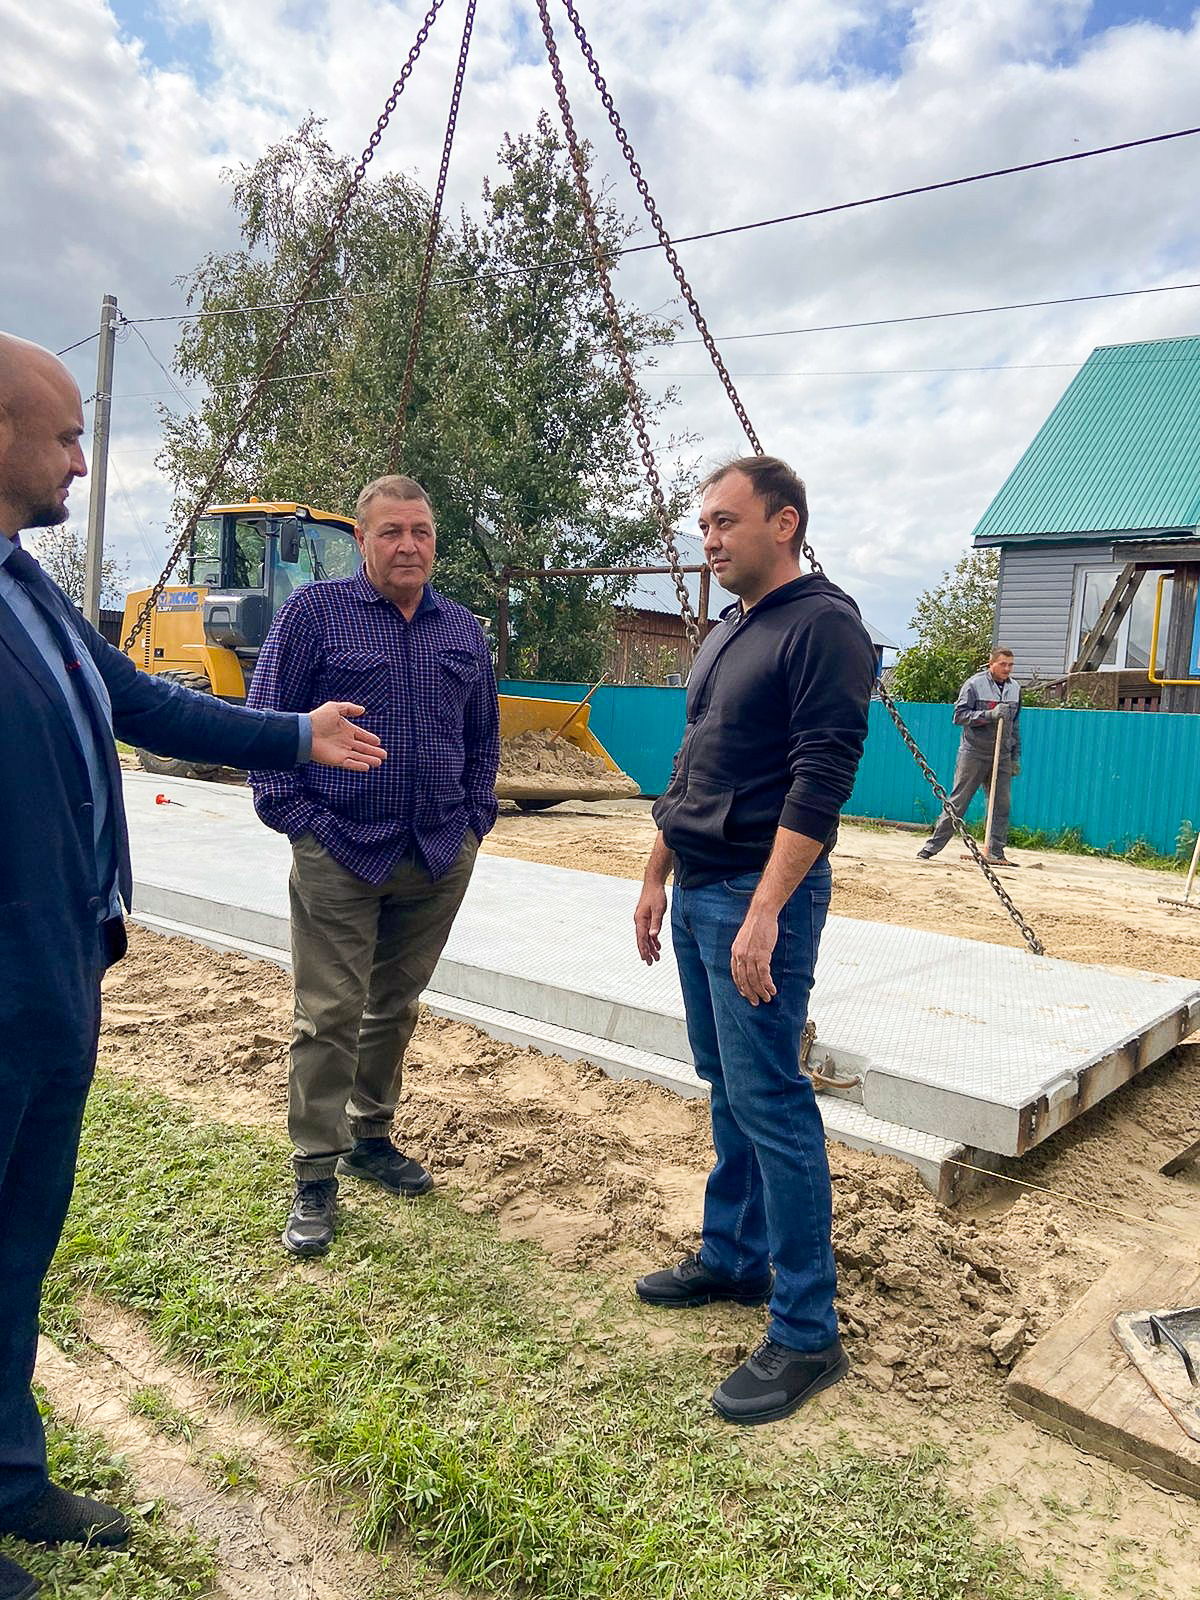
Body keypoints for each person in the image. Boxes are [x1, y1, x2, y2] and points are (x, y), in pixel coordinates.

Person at [0, 331, 386, 1600]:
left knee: (19, 1243)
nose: (81, 459)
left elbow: (143, 702)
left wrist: (293, 733)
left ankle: (8, 1474)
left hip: (56, 976)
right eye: (66, 435)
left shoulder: (28, 588)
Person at [632, 456, 875, 1426]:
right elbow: (691, 761)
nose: (710, 539)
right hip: (699, 887)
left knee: (772, 1098)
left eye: (725, 521)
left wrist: (769, 909)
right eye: (704, 525)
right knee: (728, 1084)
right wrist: (654, 872)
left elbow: (823, 778)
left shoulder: (824, 626)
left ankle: (808, 1332)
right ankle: (735, 1257)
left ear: (785, 523)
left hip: (755, 896)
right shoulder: (731, 629)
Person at [247, 474, 500, 1257]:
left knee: (394, 1008)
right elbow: (265, 724)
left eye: (421, 531)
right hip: (340, 849)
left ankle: (370, 1138)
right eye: (391, 531)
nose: (408, 546)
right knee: (328, 1013)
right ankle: (314, 1173)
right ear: (360, 540)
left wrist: (474, 823)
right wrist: (299, 821)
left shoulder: (462, 631)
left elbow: (484, 739)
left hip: (435, 854)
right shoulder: (314, 615)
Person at [917, 647, 1021, 865]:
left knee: (1001, 805)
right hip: (974, 752)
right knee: (959, 802)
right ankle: (931, 848)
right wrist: (989, 715)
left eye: (1010, 665)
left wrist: (1014, 756)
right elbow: (959, 716)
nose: (1007, 669)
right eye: (1003, 664)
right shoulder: (975, 684)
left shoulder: (1015, 689)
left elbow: (1015, 725)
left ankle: (995, 852)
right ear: (991, 664)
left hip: (1001, 754)